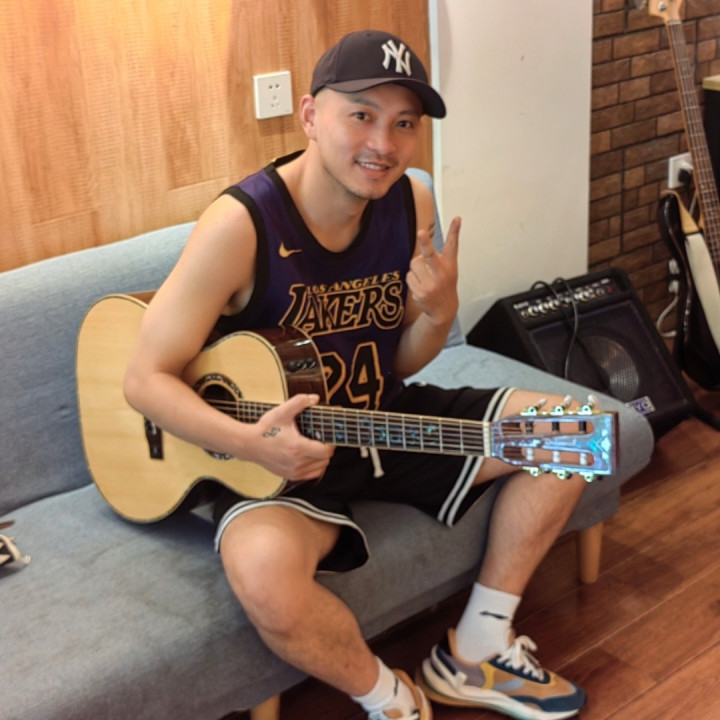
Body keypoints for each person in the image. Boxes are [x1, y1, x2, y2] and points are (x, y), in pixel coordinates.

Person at [124, 29, 591, 720]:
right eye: (362, 115)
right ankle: (390, 699)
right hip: (278, 457)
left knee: (576, 435)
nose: (384, 143)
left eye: (405, 123)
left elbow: (395, 359)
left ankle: (476, 651)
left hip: (383, 423)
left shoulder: (411, 205)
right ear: (311, 116)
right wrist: (254, 444)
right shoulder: (241, 225)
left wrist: (437, 316)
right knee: (262, 573)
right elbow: (143, 380)